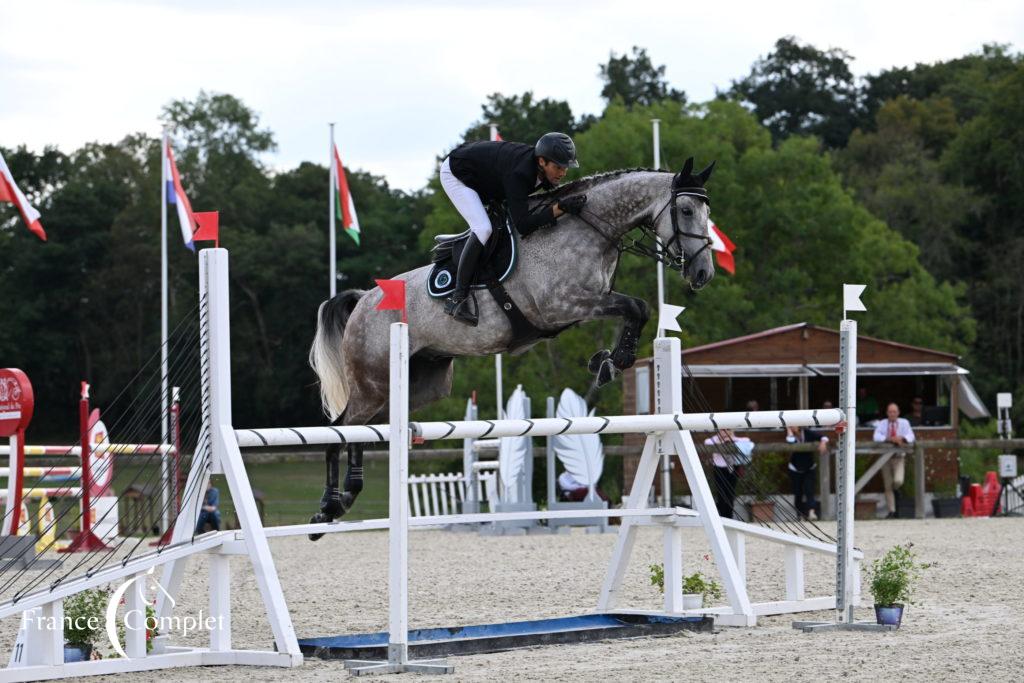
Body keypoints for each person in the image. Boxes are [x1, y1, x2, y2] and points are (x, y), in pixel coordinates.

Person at [439, 132, 588, 326]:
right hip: (456, 174)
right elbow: (523, 225)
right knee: (483, 228)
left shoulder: (537, 167)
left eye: (565, 167)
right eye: (558, 167)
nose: (563, 173)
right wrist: (560, 209)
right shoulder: (521, 174)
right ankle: (457, 299)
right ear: (542, 162)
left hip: (483, 173)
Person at [872, 402, 916, 518]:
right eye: (890, 412)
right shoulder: (882, 423)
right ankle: (892, 511)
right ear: (887, 413)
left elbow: (911, 436)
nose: (892, 414)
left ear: (898, 413)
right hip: (885, 458)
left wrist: (902, 438)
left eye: (894, 411)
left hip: (899, 457)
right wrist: (890, 439)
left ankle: (896, 491)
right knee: (887, 485)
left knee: (898, 481)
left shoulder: (904, 422)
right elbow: (876, 436)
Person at [703, 429, 754, 519]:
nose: (725, 432)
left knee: (730, 493)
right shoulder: (714, 439)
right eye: (722, 429)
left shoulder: (735, 439)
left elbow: (748, 441)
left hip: (733, 468)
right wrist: (721, 441)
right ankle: (722, 517)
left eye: (728, 429)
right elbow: (707, 442)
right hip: (719, 468)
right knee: (721, 493)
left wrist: (731, 439)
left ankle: (729, 517)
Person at [785, 425, 829, 521]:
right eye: (790, 425)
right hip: (795, 468)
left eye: (793, 425)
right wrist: (789, 430)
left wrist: (823, 443)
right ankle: (799, 515)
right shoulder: (790, 435)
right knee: (798, 492)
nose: (792, 427)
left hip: (809, 467)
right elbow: (790, 442)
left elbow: (824, 437)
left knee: (810, 490)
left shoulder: (807, 433)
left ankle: (811, 512)